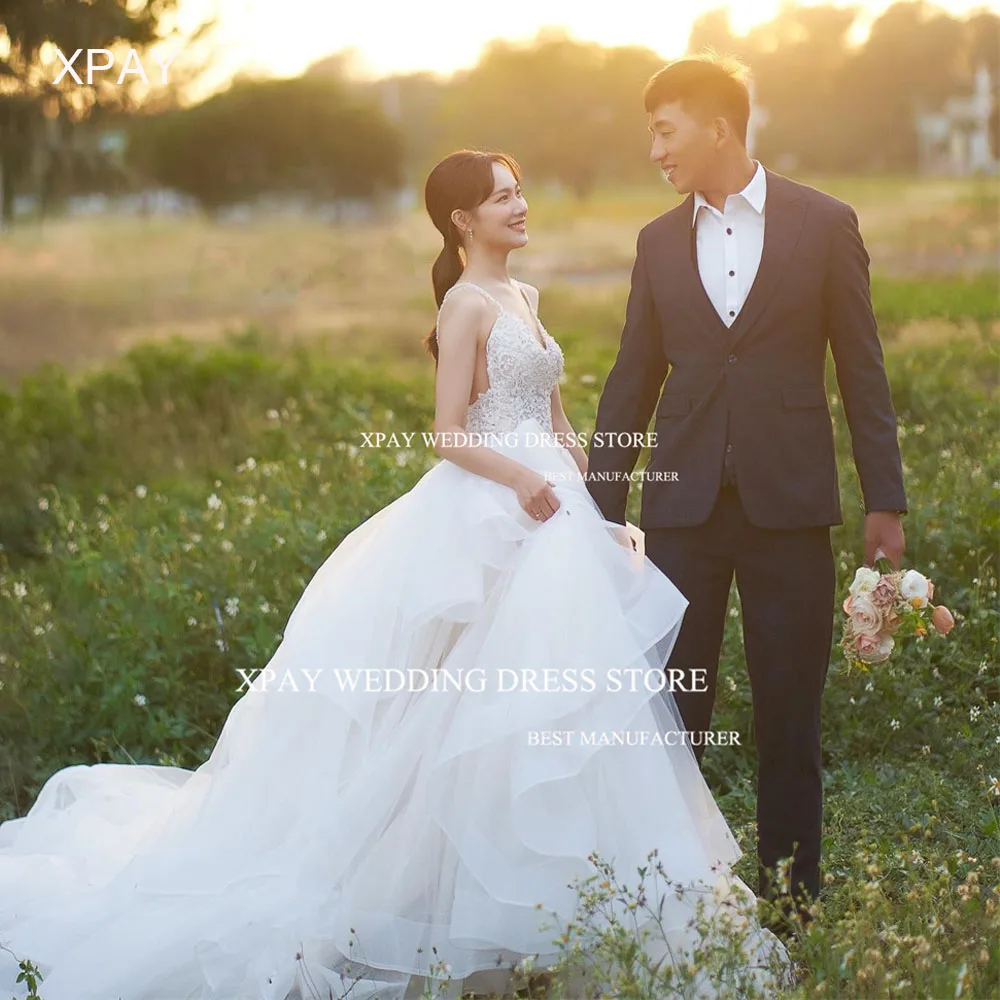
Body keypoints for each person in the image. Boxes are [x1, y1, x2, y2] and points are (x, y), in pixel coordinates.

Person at [0, 148, 795, 1000]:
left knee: (559, 707)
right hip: (496, 509)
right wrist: (523, 481)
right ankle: (445, 906)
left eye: (519, 191)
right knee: (461, 715)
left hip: (557, 513)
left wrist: (606, 513)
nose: (521, 205)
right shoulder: (463, 305)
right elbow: (448, 432)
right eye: (502, 197)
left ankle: (569, 913)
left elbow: (561, 423)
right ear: (462, 221)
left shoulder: (524, 296)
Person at [585, 53, 908, 925]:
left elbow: (863, 372)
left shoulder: (824, 222)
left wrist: (887, 500)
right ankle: (671, 909)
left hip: (791, 510)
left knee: (789, 715)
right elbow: (630, 381)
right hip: (682, 515)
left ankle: (793, 906)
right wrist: (597, 510)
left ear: (716, 124)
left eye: (664, 130)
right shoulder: (657, 241)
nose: (655, 150)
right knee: (674, 714)